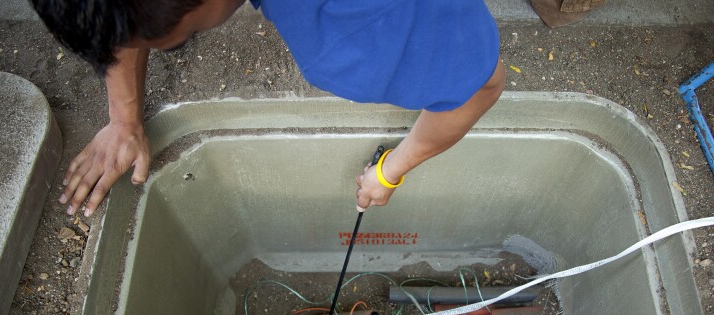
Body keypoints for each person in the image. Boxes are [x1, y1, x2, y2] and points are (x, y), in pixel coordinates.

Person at [29, 0, 505, 217]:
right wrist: (124, 118)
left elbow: (483, 86)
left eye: (176, 40)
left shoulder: (352, 33)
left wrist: (390, 171)